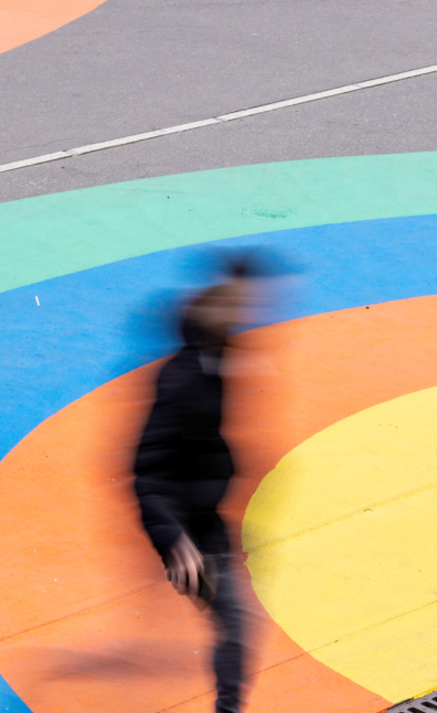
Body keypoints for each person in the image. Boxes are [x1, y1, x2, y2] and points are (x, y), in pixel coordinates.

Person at [133, 276, 249, 713]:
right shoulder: (182, 380)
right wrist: (173, 538)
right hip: (188, 533)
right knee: (236, 623)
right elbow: (147, 472)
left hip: (204, 521)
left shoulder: (211, 367)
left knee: (235, 624)